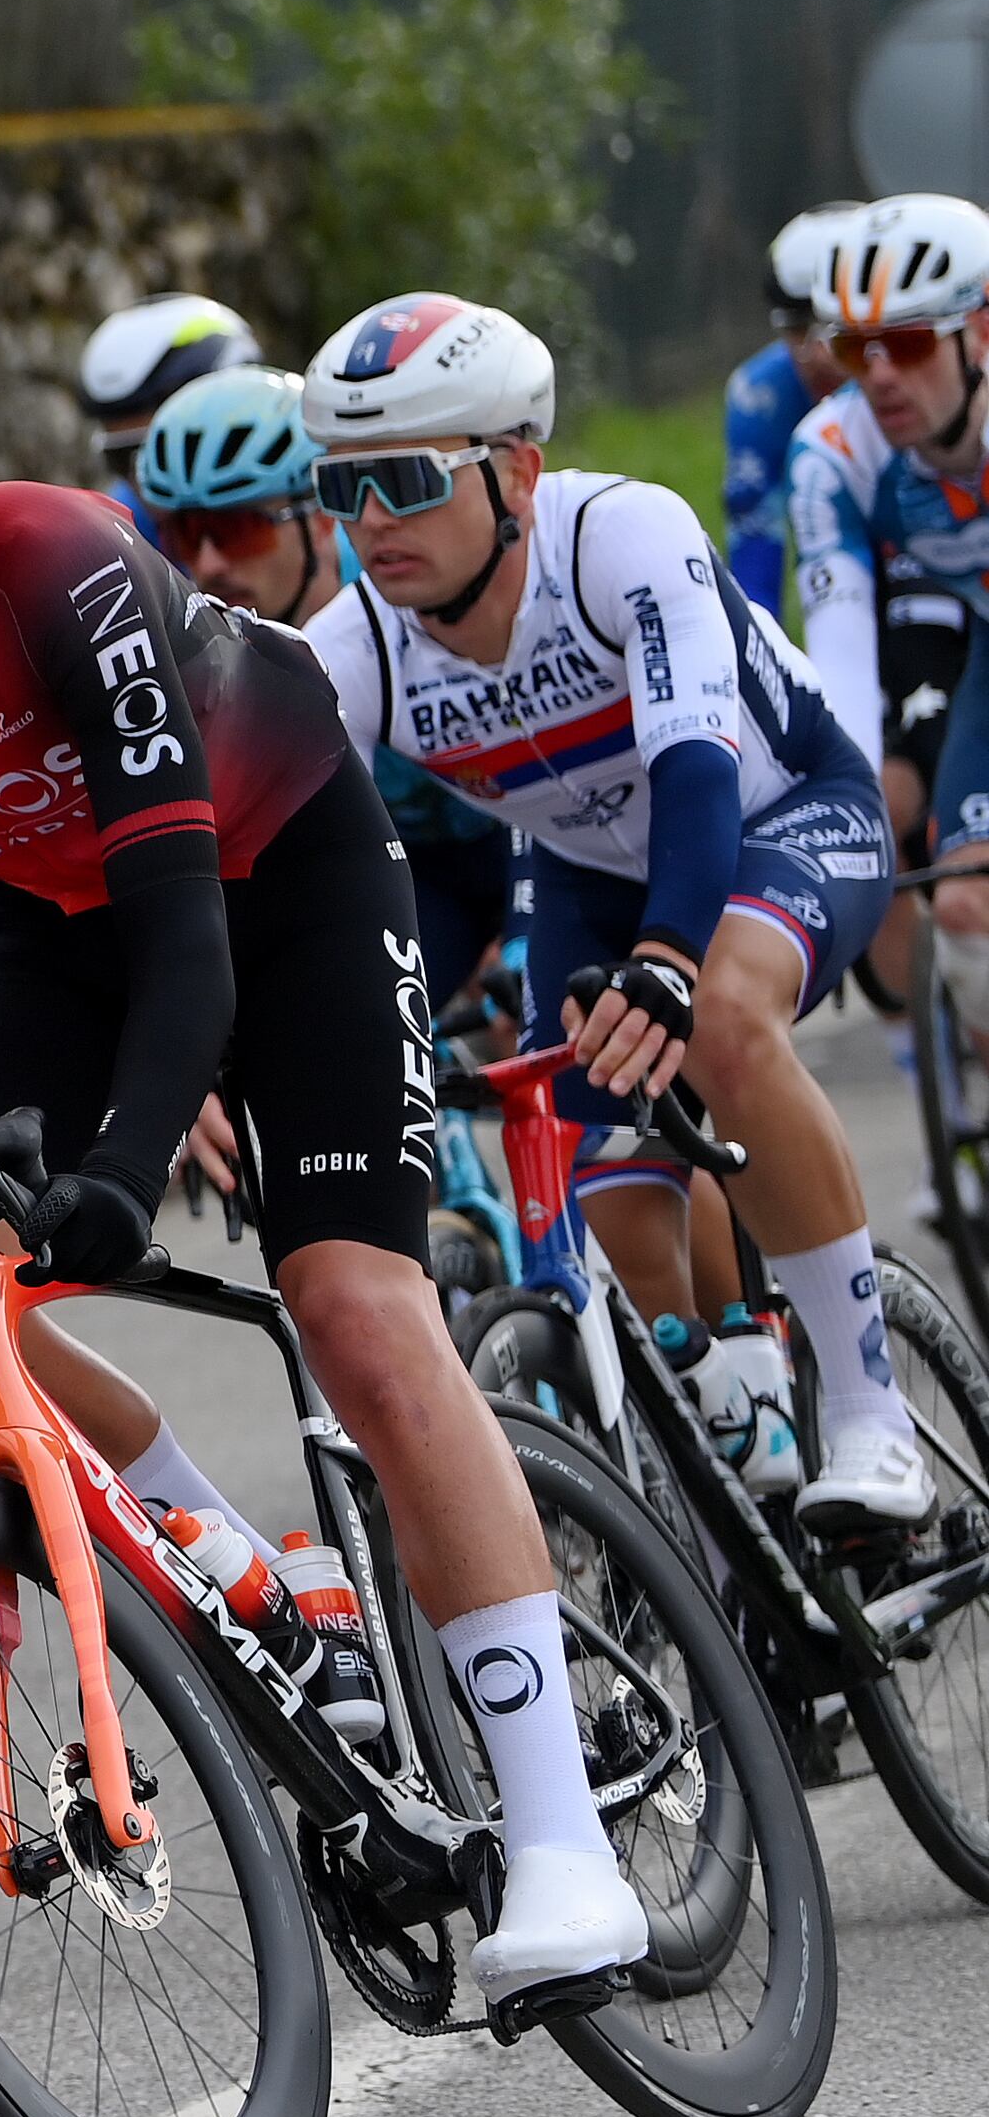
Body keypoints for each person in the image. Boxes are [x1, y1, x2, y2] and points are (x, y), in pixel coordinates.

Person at [0, 294, 651, 2006]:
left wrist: (122, 1158)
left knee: (355, 1305)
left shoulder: (62, 564)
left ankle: (562, 1842)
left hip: (282, 869)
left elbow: (193, 947)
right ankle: (245, 1572)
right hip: (66, 924)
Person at [301, 292, 920, 1529]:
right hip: (585, 873)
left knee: (723, 1023)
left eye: (407, 481)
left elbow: (692, 771)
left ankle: (871, 1415)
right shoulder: (352, 646)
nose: (370, 522)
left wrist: (670, 958)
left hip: (780, 813)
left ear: (516, 472)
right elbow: (290, 869)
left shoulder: (618, 539)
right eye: (340, 488)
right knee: (595, 1175)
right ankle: (731, 1441)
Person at [136, 366, 516, 1009]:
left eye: (240, 530)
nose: (208, 565)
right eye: (184, 536)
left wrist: (524, 935)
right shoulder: (206, 653)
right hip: (414, 868)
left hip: (528, 839)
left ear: (318, 522)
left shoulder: (412, 596)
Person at [792, 196, 989, 1031]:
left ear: (980, 333)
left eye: (906, 343)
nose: (877, 376)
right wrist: (853, 813)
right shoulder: (833, 454)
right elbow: (838, 650)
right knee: (965, 912)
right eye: (854, 347)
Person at [720, 203, 863, 623]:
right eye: (797, 329)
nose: (818, 353)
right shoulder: (759, 397)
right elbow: (754, 560)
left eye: (834, 324)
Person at [79, 293, 260, 521]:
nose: (142, 482)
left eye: (163, 454)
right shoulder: (122, 521)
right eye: (120, 459)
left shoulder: (298, 503)